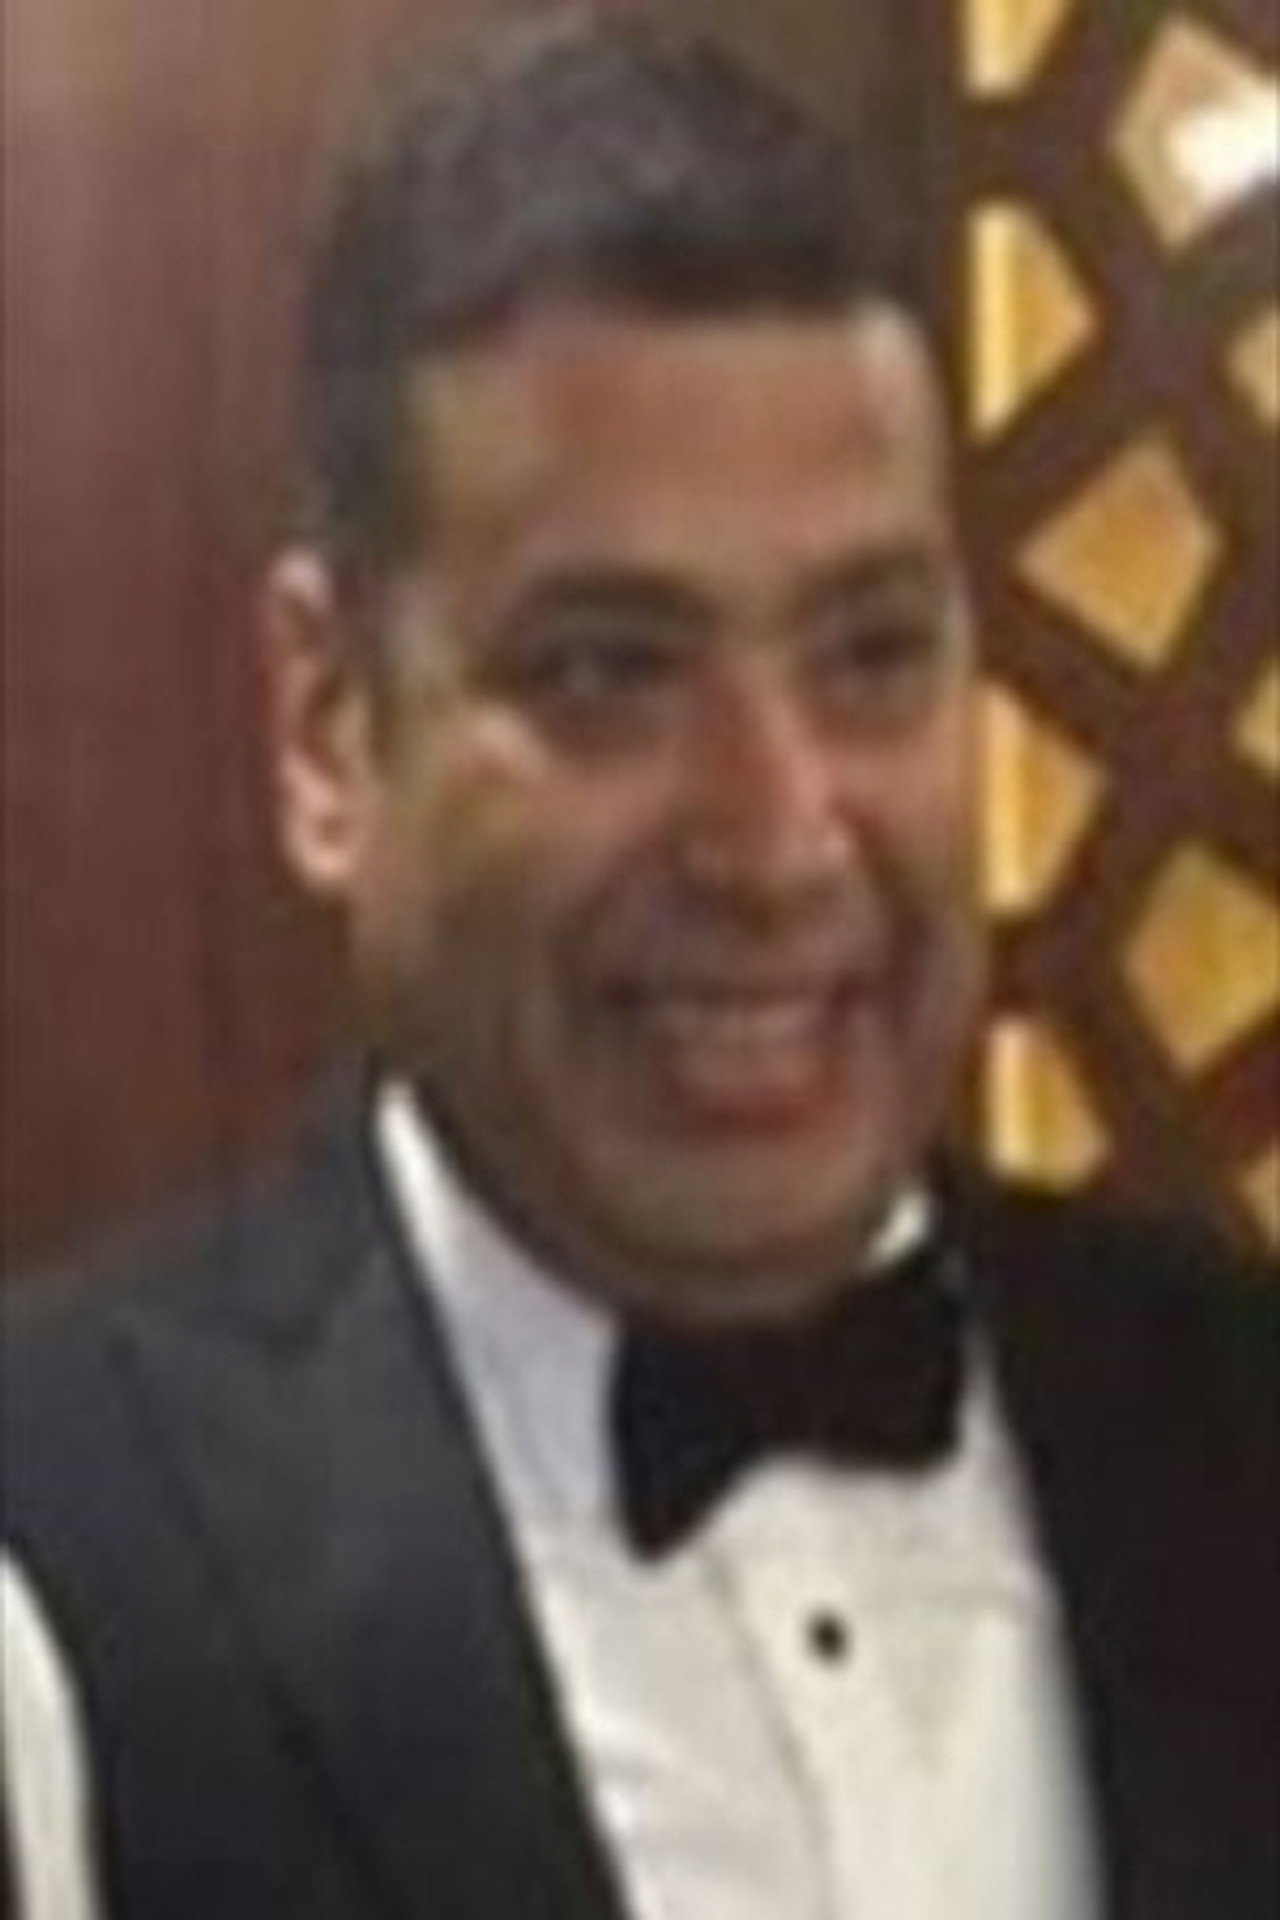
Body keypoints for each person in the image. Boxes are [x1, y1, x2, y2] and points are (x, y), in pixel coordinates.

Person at [2, 14, 1275, 1919]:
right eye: (607, 671)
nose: (778, 840)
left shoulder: (1235, 1419)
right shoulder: (48, 1575)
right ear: (329, 728)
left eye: (870, 653)